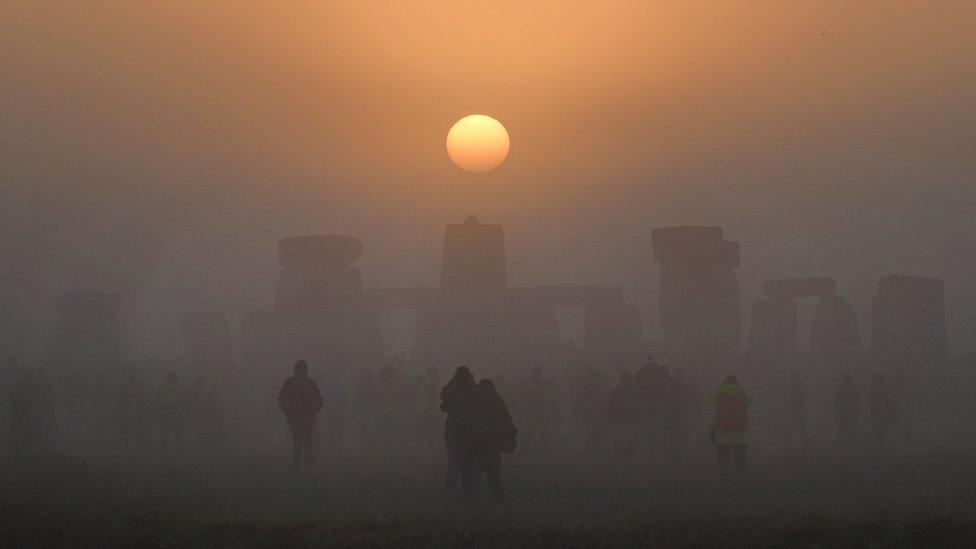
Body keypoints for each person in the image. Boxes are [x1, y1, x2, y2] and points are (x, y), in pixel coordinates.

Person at [440, 366, 484, 496]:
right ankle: (474, 486)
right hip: (472, 428)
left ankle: (450, 488)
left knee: (454, 459)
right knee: (474, 459)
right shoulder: (474, 390)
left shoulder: (453, 390)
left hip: (455, 429)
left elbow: (444, 405)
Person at [278, 359, 324, 470]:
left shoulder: (290, 382)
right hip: (306, 416)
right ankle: (308, 466)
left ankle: (298, 466)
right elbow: (320, 400)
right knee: (307, 442)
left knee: (298, 442)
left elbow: (281, 400)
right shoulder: (310, 383)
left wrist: (287, 412)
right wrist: (314, 412)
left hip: (295, 416)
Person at [477, 378, 517, 501]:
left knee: (489, 469)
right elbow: (507, 420)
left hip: (488, 440)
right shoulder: (494, 401)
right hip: (486, 440)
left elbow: (506, 420)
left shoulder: (484, 402)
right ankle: (494, 493)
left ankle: (492, 493)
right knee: (490, 469)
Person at [709, 375, 752, 475]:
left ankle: (723, 482)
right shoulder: (741, 393)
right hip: (739, 432)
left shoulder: (719, 393)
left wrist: (721, 388)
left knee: (723, 461)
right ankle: (740, 482)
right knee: (740, 460)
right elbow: (750, 400)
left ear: (725, 382)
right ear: (736, 383)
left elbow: (711, 398)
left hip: (722, 432)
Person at [606, 371, 642, 457]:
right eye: (624, 377)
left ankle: (630, 455)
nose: (625, 379)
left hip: (630, 418)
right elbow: (611, 403)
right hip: (620, 418)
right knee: (620, 437)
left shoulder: (634, 391)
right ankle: (619, 455)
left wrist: (637, 415)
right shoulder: (617, 390)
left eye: (627, 378)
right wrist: (611, 415)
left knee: (630, 437)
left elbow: (638, 404)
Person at [155, 371, 189, 457]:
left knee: (164, 435)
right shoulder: (181, 387)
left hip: (165, 415)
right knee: (178, 436)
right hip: (178, 415)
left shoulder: (161, 387)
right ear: (176, 378)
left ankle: (162, 454)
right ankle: (179, 454)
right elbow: (186, 402)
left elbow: (157, 402)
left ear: (167, 378)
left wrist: (157, 415)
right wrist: (186, 415)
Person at [833, 374, 860, 453]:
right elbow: (836, 402)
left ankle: (846, 449)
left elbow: (857, 403)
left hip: (849, 414)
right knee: (844, 432)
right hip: (846, 414)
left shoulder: (852, 390)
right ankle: (844, 449)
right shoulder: (852, 390)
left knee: (848, 432)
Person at [784, 372, 811, 450]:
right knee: (798, 427)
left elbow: (795, 401)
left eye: (791, 379)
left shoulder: (796, 388)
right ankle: (807, 442)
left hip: (797, 412)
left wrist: (788, 407)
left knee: (796, 427)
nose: (790, 380)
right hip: (797, 412)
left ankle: (807, 442)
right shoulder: (797, 388)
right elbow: (794, 401)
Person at [869, 372, 895, 450]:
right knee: (878, 432)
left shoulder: (886, 390)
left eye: (877, 378)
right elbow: (871, 403)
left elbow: (890, 403)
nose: (876, 380)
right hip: (876, 414)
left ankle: (881, 448)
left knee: (882, 431)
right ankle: (879, 448)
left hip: (883, 414)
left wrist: (890, 413)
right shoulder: (873, 390)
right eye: (875, 378)